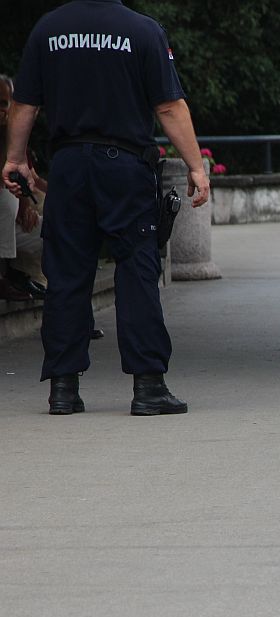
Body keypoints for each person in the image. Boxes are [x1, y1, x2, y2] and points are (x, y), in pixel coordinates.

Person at [2, 1, 210, 416]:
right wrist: (195, 167)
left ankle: (63, 388)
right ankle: (148, 386)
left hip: (68, 167)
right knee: (136, 268)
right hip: (125, 166)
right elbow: (168, 106)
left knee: (66, 274)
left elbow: (25, 104)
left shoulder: (48, 29)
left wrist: (15, 158)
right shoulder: (142, 31)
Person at [0, 73, 33, 302]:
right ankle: (3, 276)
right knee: (6, 200)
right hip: (5, 212)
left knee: (52, 228)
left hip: (11, 225)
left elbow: (26, 178)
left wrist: (27, 203)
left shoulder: (14, 137)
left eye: (4, 103)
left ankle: (66, 302)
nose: (2, 110)